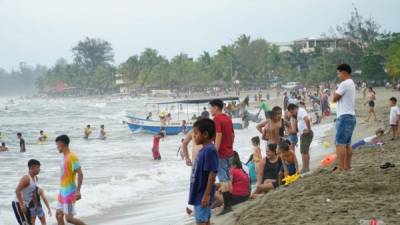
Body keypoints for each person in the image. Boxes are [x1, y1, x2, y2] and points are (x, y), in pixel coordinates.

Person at [188, 118, 219, 225]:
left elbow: (212, 173)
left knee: (201, 221)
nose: (194, 136)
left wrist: (206, 195)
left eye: (196, 133)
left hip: (202, 193)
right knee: (205, 220)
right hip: (199, 192)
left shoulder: (209, 150)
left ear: (205, 134)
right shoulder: (204, 150)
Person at [209, 99, 234, 215]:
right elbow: (233, 134)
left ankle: (227, 207)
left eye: (211, 107)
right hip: (229, 152)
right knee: (228, 179)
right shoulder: (227, 118)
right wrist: (230, 146)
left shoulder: (216, 119)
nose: (210, 110)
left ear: (216, 108)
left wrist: (215, 151)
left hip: (221, 154)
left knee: (223, 180)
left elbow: (218, 134)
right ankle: (229, 205)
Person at [55, 135, 86, 225]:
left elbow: (80, 173)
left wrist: (78, 191)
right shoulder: (64, 157)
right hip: (62, 191)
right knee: (58, 215)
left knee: (68, 218)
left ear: (62, 144)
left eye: (57, 145)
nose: (57, 147)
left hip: (69, 192)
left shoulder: (72, 157)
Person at [332, 64, 356, 172]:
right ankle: (347, 166)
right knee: (347, 144)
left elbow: (334, 98)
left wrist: (335, 91)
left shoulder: (344, 83)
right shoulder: (351, 83)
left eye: (338, 73)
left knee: (339, 144)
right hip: (350, 116)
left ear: (344, 72)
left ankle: (341, 167)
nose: (338, 75)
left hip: (344, 117)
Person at [13, 159, 41, 225]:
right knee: (24, 223)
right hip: (17, 203)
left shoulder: (35, 178)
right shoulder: (26, 178)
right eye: (38, 167)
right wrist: (22, 204)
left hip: (27, 204)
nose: (39, 169)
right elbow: (17, 190)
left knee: (30, 223)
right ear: (32, 168)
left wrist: (36, 205)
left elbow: (33, 192)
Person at [288, 103, 313, 173]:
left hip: (306, 134)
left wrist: (308, 129)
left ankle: (305, 168)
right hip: (304, 134)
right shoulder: (299, 113)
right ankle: (306, 168)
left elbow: (307, 120)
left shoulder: (301, 111)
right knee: (305, 151)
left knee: (303, 152)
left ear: (295, 108)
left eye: (292, 112)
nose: (292, 113)